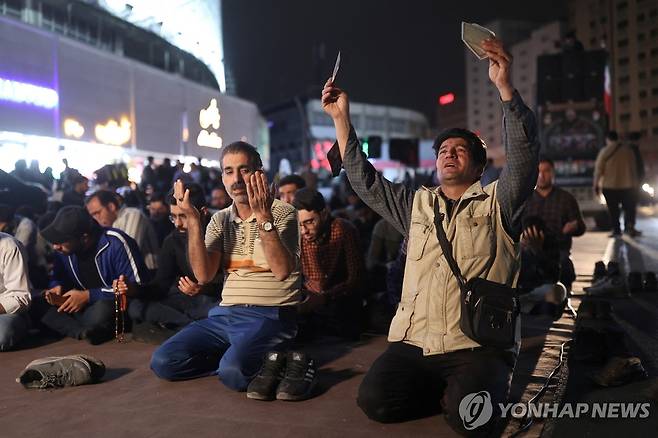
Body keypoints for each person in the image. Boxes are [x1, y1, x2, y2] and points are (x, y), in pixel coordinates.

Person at [321, 37, 539, 435]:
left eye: (460, 150)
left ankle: (467, 393)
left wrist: (505, 88)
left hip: (476, 343)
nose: (448, 153)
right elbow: (364, 180)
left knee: (474, 423)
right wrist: (341, 120)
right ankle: (450, 393)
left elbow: (524, 161)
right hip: (416, 340)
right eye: (443, 150)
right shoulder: (415, 206)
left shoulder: (498, 204)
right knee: (375, 402)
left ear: (477, 168)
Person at [150, 141, 306, 399]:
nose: (236, 180)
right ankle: (257, 361)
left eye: (244, 170)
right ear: (222, 177)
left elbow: (281, 270)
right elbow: (203, 275)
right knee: (164, 361)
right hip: (225, 315)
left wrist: (263, 216)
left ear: (259, 173)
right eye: (229, 171)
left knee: (233, 374)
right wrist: (192, 221)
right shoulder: (220, 219)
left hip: (272, 315)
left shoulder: (283, 213)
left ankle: (258, 361)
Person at [35, 206, 149, 344]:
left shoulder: (116, 242)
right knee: (35, 301)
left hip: (107, 302)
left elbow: (138, 285)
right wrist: (56, 287)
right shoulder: (64, 252)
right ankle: (82, 331)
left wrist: (88, 295)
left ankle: (79, 328)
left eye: (61, 241)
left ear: (84, 237)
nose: (55, 247)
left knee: (102, 311)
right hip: (79, 306)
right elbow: (57, 276)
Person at [128, 183, 221, 339]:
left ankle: (186, 329)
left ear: (203, 213)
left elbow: (230, 283)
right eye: (174, 217)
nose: (178, 223)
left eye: (183, 216)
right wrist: (134, 290)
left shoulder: (219, 231)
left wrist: (203, 289)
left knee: (217, 310)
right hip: (188, 300)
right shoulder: (172, 240)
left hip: (214, 298)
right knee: (136, 307)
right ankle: (190, 326)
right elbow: (161, 286)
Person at [292, 188, 364, 339]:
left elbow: (355, 279)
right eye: (300, 224)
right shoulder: (296, 236)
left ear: (324, 214)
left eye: (310, 222)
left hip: (341, 303)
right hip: (309, 304)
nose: (304, 230)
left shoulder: (344, 229)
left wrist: (324, 298)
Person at [522, 158, 585, 291]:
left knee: (564, 264)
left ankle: (562, 293)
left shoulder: (566, 198)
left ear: (553, 173)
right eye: (538, 171)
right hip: (529, 248)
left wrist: (574, 226)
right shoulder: (525, 199)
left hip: (558, 248)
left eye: (546, 171)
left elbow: (580, 227)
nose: (542, 175)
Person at [86, 190, 159, 270]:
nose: (95, 219)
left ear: (111, 207)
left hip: (150, 272)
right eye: (92, 216)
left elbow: (126, 252)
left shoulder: (133, 214)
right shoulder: (109, 226)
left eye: (97, 213)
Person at [593, 131, 641, 237]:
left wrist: (596, 184)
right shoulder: (629, 151)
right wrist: (635, 184)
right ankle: (629, 227)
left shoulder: (605, 151)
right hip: (628, 185)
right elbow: (634, 168)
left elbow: (598, 170)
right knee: (629, 208)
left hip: (610, 186)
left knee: (613, 210)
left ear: (607, 139)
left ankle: (616, 230)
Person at [0, 232, 31, 351]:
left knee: (3, 334)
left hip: (5, 313)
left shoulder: (9, 246)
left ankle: (23, 327)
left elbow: (22, 297)